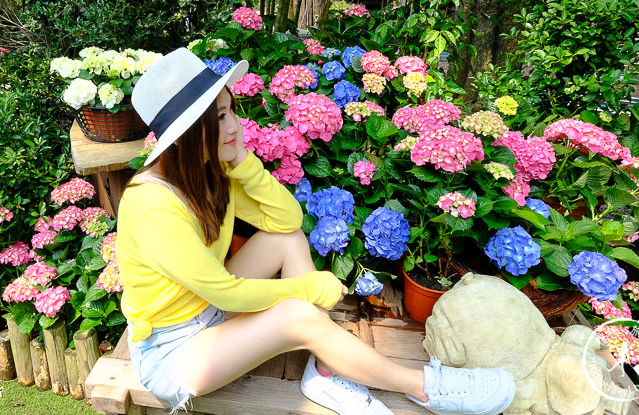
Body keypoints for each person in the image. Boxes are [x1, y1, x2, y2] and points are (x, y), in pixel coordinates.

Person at [117, 48, 516, 415]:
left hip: (207, 313)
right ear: (188, 134)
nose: (235, 125)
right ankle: (426, 388)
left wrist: (243, 163)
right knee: (298, 315)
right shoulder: (152, 206)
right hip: (175, 351)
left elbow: (287, 222)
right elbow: (223, 290)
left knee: (285, 242)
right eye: (219, 118)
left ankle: (326, 372)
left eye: (230, 110)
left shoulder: (208, 170)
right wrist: (306, 291)